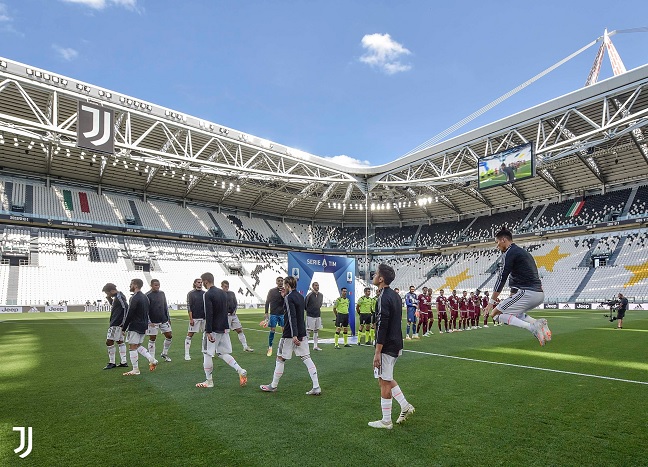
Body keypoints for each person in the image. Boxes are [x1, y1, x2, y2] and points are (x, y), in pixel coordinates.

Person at [485, 228, 552, 346]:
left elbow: (502, 278)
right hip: (538, 293)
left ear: (503, 240)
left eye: (497, 242)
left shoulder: (509, 253)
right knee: (515, 313)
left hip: (528, 292)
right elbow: (515, 278)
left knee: (495, 315)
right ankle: (537, 323)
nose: (497, 246)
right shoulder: (522, 253)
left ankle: (532, 328)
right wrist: (511, 296)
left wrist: (491, 302)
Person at [368, 264, 414, 429]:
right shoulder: (395, 296)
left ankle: (386, 421)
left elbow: (382, 325)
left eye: (376, 274)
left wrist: (377, 351)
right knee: (385, 378)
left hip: (387, 345)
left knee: (384, 381)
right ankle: (404, 405)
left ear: (381, 279)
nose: (373, 275)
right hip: (396, 342)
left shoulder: (382, 298)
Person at [260, 276, 321, 395]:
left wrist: (294, 335)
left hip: (290, 334)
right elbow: (298, 315)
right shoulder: (300, 296)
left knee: (280, 358)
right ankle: (316, 386)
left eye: (284, 284)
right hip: (301, 332)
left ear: (287, 285)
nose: (283, 286)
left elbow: (292, 316)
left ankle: (273, 385)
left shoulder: (289, 298)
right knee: (307, 358)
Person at [196, 272, 247, 388]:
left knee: (207, 353)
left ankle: (209, 381)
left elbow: (209, 313)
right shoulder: (224, 293)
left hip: (213, 329)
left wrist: (208, 331)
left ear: (205, 281)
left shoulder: (207, 294)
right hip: (224, 328)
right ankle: (240, 370)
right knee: (222, 353)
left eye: (202, 282)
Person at [121, 278, 158, 376]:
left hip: (135, 325)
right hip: (143, 325)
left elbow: (130, 313)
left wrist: (124, 328)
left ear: (135, 285)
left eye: (131, 284)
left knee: (132, 346)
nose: (130, 286)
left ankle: (135, 369)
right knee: (137, 346)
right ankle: (152, 359)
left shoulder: (135, 297)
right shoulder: (145, 297)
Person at [101, 283, 128, 370]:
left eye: (107, 293)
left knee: (109, 342)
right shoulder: (118, 297)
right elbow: (117, 306)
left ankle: (112, 362)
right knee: (120, 341)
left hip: (117, 323)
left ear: (112, 291)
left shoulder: (119, 297)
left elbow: (125, 308)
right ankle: (123, 362)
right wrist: (109, 298)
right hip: (118, 323)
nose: (107, 294)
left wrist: (123, 323)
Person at [222, 280, 254, 352]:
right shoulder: (219, 294)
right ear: (222, 286)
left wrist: (234, 311)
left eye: (227, 286)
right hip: (225, 316)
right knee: (224, 333)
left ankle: (245, 347)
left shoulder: (231, 293)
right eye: (225, 287)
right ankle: (221, 349)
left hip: (233, 315)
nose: (226, 288)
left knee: (239, 330)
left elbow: (235, 303)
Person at [146, 279, 173, 362]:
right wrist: (149, 321)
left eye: (158, 285)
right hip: (153, 322)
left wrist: (168, 318)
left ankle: (164, 353)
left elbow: (165, 306)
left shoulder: (162, 293)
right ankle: (152, 359)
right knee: (153, 338)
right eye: (155, 285)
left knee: (169, 336)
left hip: (163, 319)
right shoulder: (147, 295)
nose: (157, 287)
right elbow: (145, 310)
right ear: (151, 285)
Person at [185, 278, 205, 361]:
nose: (200, 284)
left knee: (207, 334)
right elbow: (189, 306)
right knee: (190, 334)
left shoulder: (205, 293)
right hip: (195, 318)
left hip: (204, 318)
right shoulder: (191, 293)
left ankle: (205, 351)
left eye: (201, 282)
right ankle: (187, 354)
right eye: (198, 282)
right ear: (195, 283)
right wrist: (191, 319)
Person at [264, 277, 285, 357]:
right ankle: (270, 346)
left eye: (281, 281)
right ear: (276, 282)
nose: (280, 282)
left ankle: (284, 346)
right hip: (273, 313)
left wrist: (284, 296)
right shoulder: (272, 291)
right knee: (272, 329)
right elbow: (267, 302)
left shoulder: (285, 291)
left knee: (284, 330)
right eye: (279, 281)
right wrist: (266, 312)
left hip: (282, 313)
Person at [305, 282, 324, 351]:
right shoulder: (309, 295)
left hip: (317, 315)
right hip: (310, 315)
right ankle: (305, 346)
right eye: (316, 285)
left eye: (318, 285)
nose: (317, 287)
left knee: (316, 330)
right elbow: (305, 305)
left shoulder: (321, 295)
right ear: (313, 286)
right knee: (308, 330)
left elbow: (320, 304)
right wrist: (310, 311)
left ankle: (315, 346)